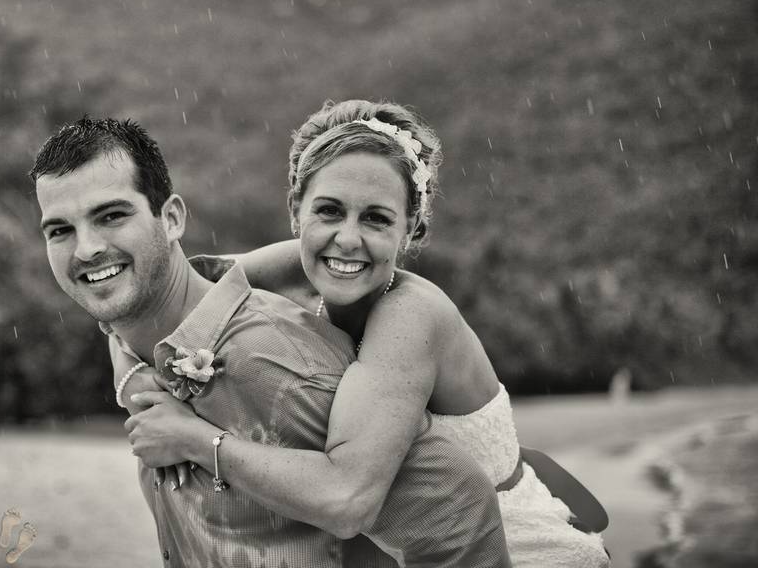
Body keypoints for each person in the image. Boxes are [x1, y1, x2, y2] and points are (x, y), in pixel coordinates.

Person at [120, 100, 610, 567]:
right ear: (297, 210)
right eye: (329, 211)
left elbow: (346, 497)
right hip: (380, 547)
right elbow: (154, 292)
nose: (348, 239)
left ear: (412, 229)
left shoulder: (412, 315)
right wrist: (141, 383)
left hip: (495, 546)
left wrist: (193, 439)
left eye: (376, 218)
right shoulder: (291, 266)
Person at [30, 116, 510, 568]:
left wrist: (199, 441)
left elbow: (448, 504)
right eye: (60, 230)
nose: (87, 248)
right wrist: (139, 373)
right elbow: (190, 283)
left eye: (112, 216)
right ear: (298, 216)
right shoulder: (220, 306)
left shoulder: (293, 360)